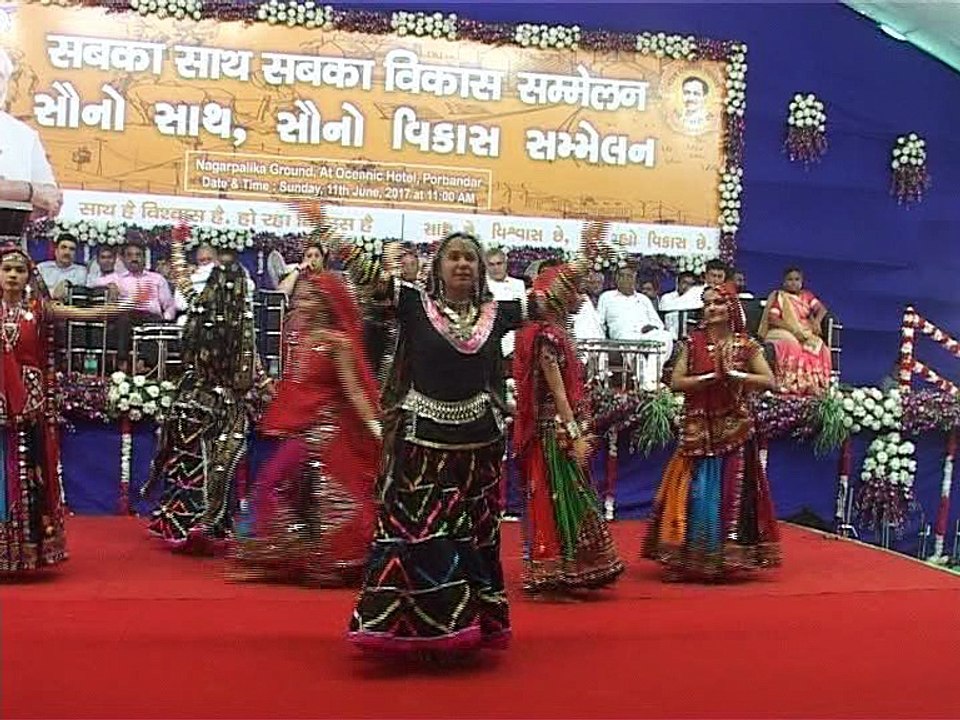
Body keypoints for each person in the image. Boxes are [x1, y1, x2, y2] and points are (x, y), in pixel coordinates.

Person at [345, 230, 525, 657]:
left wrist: (587, 259)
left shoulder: (496, 313)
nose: (462, 264)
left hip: (479, 448)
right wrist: (336, 241)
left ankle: (466, 626)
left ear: (481, 270)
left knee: (475, 538)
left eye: (470, 258)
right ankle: (413, 628)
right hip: (419, 442)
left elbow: (551, 304)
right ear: (437, 267)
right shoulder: (412, 304)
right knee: (418, 535)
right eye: (454, 257)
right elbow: (372, 280)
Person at [231, 271, 381, 587]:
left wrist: (376, 428)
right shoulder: (297, 336)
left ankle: (329, 561)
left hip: (328, 432)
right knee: (275, 484)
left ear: (327, 303)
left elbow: (354, 391)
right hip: (300, 428)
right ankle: (277, 556)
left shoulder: (337, 343)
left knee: (324, 493)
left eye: (310, 297)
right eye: (299, 297)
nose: (301, 303)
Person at [0, 243, 127, 573]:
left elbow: (77, 314)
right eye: (7, 270)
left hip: (28, 402)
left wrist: (111, 311)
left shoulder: (38, 309)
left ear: (28, 276)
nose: (12, 276)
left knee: (26, 470)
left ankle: (24, 550)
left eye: (19, 270)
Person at [643, 282, 780, 581]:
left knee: (729, 491)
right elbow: (676, 382)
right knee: (694, 492)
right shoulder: (692, 344)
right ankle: (686, 559)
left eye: (717, 303)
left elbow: (769, 380)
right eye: (707, 304)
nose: (711, 309)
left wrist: (735, 375)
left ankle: (724, 560)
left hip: (734, 428)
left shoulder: (746, 345)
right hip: (697, 429)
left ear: (730, 308)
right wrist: (708, 378)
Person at [513, 262, 623, 597]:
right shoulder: (547, 338)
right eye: (575, 291)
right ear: (559, 297)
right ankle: (557, 569)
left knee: (567, 495)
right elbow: (559, 393)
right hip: (553, 432)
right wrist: (575, 435)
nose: (581, 297)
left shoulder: (557, 334)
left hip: (560, 426)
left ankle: (571, 567)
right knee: (558, 494)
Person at [145, 257, 268, 553]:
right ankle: (207, 525)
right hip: (220, 406)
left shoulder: (199, 312)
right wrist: (265, 388)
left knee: (185, 461)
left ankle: (178, 524)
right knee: (216, 466)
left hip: (188, 400)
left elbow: (184, 287)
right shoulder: (240, 326)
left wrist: (177, 247)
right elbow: (246, 375)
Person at [0, 48, 62, 218]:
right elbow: (37, 192)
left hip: (10, 232)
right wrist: (28, 191)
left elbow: (50, 195)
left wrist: (45, 200)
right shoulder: (30, 190)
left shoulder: (24, 135)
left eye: (0, 77)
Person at [758, 267, 831, 396]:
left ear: (802, 282)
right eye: (790, 279)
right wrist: (793, 330)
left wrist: (816, 322)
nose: (793, 283)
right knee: (793, 346)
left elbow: (822, 309)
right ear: (784, 282)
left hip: (805, 331)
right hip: (784, 330)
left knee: (821, 347)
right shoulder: (780, 297)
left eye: (797, 279)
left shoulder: (807, 296)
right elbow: (773, 319)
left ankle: (815, 385)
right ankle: (791, 384)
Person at [36, 235, 86, 300]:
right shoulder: (42, 268)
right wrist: (53, 293)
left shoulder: (82, 271)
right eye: (63, 247)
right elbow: (34, 292)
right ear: (56, 251)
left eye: (71, 249)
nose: (67, 252)